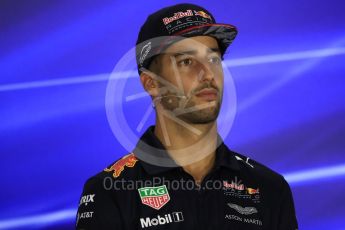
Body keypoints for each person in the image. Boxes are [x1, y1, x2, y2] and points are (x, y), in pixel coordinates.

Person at [76, 3, 298, 229]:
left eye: (214, 59)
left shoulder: (269, 188)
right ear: (151, 83)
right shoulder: (109, 191)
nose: (208, 74)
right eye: (186, 61)